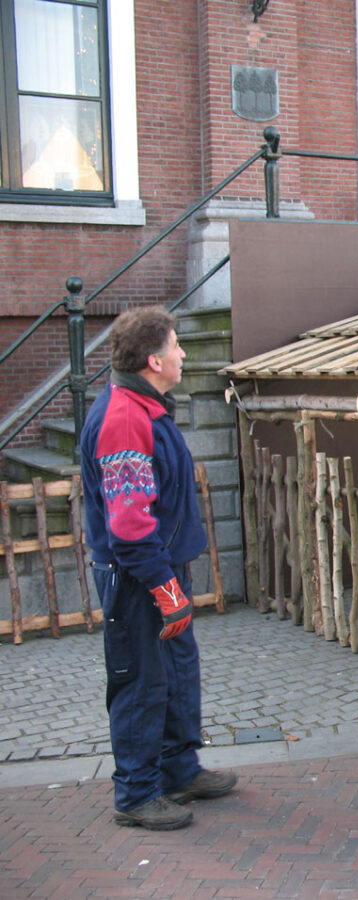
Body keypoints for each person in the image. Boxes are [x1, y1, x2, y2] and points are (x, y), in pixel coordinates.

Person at [79, 306, 237, 831]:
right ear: (153, 359)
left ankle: (177, 770)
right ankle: (137, 795)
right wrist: (164, 587)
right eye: (176, 346)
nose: (183, 354)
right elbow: (128, 525)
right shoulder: (125, 420)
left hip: (158, 571)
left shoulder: (144, 407)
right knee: (141, 683)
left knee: (174, 674)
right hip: (140, 579)